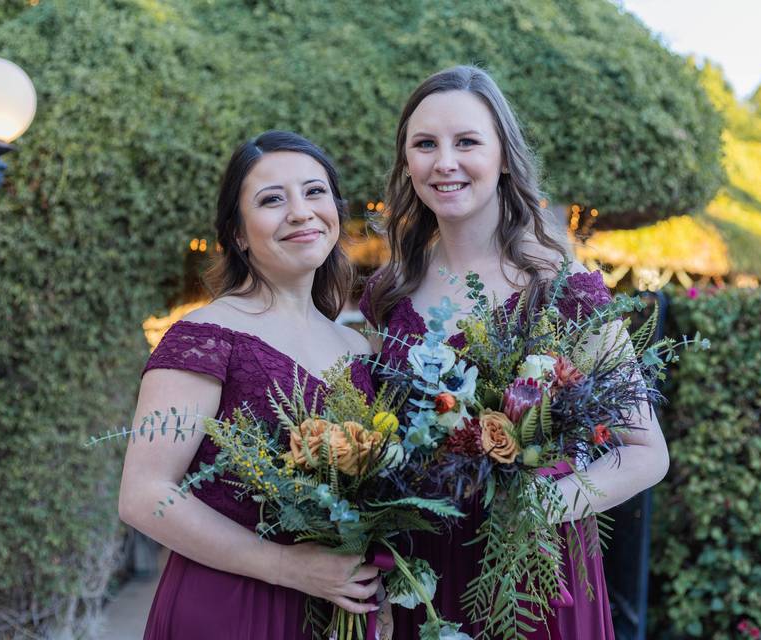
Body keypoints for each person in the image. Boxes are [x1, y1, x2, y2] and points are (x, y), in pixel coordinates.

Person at [360, 66, 670, 639]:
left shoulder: (565, 288)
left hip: (535, 573)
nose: (443, 162)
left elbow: (647, 450)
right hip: (424, 573)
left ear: (504, 156)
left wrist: (541, 507)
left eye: (467, 142)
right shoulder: (388, 292)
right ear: (406, 163)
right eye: (424, 144)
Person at [119, 131, 387, 639]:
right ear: (238, 234)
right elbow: (142, 495)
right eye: (271, 200)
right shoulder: (204, 338)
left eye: (314, 192)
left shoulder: (360, 350)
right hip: (230, 605)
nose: (301, 212)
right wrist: (287, 567)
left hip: (335, 610)